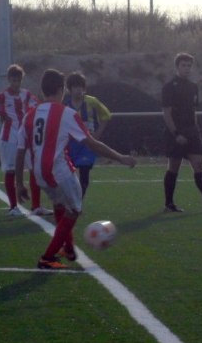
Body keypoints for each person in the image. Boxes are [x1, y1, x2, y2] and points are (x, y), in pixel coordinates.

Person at [16, 69, 136, 270]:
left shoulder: (31, 114)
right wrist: (120, 158)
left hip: (39, 174)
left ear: (42, 90)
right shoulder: (67, 113)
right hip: (60, 172)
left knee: (59, 205)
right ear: (61, 89)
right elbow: (93, 143)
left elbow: (20, 151)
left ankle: (69, 249)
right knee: (74, 211)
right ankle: (47, 257)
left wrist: (19, 183)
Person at [0, 64, 51, 217]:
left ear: (21, 80)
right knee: (10, 170)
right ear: (9, 80)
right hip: (9, 138)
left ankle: (36, 206)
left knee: (34, 170)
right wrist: (1, 113)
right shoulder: (2, 96)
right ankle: (13, 207)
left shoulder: (26, 95)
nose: (16, 83)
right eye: (13, 80)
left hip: (26, 138)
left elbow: (39, 107)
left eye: (18, 80)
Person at [161, 52, 202, 213]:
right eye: (183, 65)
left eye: (189, 65)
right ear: (177, 67)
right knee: (174, 167)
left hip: (192, 132)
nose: (187, 68)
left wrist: (195, 130)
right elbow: (166, 113)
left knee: (199, 165)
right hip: (177, 132)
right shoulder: (169, 87)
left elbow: (193, 111)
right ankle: (169, 204)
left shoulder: (193, 87)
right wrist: (176, 134)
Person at [62, 71, 112, 197]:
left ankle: (79, 200)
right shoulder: (65, 104)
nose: (78, 90)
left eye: (81, 87)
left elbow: (106, 116)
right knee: (68, 174)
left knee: (84, 172)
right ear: (70, 89)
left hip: (87, 143)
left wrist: (97, 134)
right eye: (75, 87)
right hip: (70, 144)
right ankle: (70, 199)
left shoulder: (92, 101)